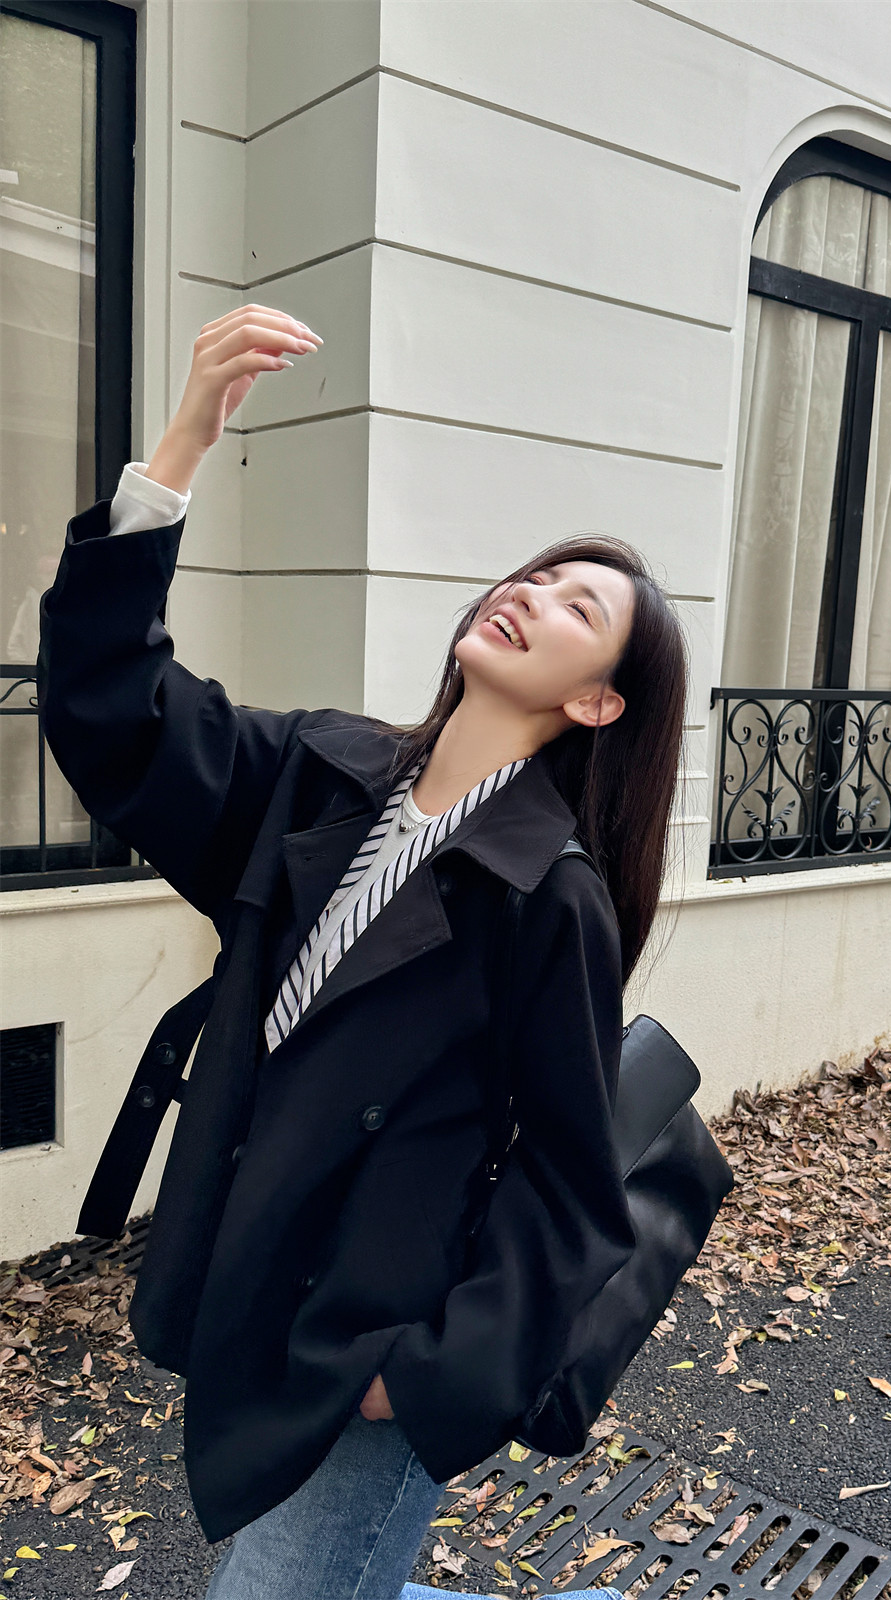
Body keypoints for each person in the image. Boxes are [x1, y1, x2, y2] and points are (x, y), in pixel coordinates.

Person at [36, 304, 688, 1600]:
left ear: (595, 700)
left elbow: (571, 1183)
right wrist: (181, 448)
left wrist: (428, 1370)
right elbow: (117, 721)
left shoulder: (548, 897)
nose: (527, 595)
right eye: (531, 576)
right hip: (248, 1283)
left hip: (373, 1341)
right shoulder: (317, 773)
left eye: (576, 607)